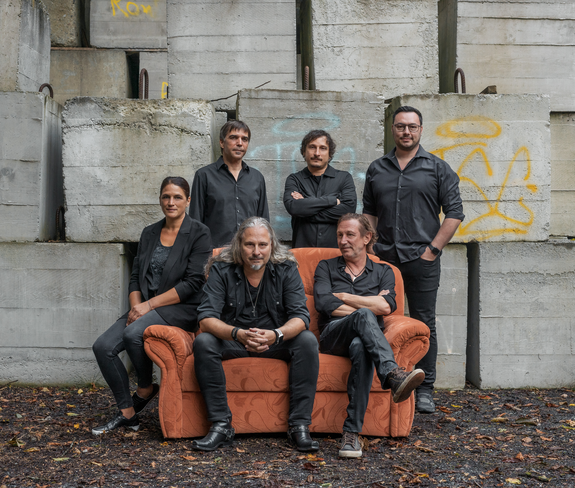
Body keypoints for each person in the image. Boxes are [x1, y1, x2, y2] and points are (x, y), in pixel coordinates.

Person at [363, 106, 465, 414]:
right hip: (383, 259)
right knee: (378, 318)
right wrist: (370, 249)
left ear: (420, 129)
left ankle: (425, 390)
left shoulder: (438, 168)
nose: (406, 131)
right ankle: (386, 380)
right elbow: (369, 212)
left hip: (421, 258)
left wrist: (432, 250)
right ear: (392, 129)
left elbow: (455, 213)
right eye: (400, 126)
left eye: (412, 126)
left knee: (424, 322)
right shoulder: (377, 168)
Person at [92, 177, 212, 435]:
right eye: (166, 196)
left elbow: (193, 283)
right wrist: (136, 308)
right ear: (159, 199)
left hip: (181, 307)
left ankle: (145, 387)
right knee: (103, 347)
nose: (171, 202)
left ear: (188, 201)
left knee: (132, 333)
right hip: (146, 307)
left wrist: (147, 306)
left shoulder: (199, 232)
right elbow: (136, 276)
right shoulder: (149, 232)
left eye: (177, 197)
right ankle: (128, 413)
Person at [191, 217, 320, 452]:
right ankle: (221, 426)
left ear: (272, 245)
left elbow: (301, 317)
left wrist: (276, 335)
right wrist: (237, 334)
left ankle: (299, 426)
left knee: (307, 340)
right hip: (234, 340)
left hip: (275, 342)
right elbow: (206, 318)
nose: (256, 252)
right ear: (239, 245)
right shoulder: (221, 268)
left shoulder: (286, 267)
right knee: (204, 341)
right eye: (250, 244)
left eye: (263, 245)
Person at [314, 213, 425, 458]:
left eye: (350, 235)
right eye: (340, 235)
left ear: (367, 238)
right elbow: (324, 303)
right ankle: (392, 374)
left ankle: (351, 434)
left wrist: (344, 296)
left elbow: (386, 307)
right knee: (365, 315)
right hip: (333, 335)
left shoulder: (384, 271)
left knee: (361, 346)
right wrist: (367, 306)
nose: (343, 240)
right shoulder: (326, 267)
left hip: (364, 340)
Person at [190, 120, 269, 248]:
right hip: (215, 253)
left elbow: (264, 221)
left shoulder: (257, 178)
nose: (239, 143)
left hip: (249, 253)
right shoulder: (204, 175)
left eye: (244, 139)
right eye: (233, 138)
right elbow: (196, 220)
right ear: (222, 142)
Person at [283, 130, 357, 248]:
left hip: (336, 252)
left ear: (330, 153)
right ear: (304, 151)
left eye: (323, 148)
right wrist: (332, 201)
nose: (317, 153)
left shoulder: (344, 178)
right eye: (312, 147)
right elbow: (294, 207)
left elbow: (348, 210)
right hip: (303, 252)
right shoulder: (294, 179)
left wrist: (306, 206)